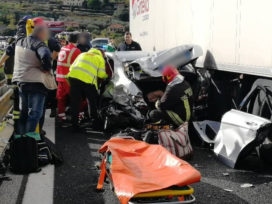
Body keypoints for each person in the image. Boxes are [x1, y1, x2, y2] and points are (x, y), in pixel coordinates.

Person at [12, 17, 56, 138]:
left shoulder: (20, 42)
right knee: (35, 112)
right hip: (36, 82)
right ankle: (29, 137)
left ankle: (20, 136)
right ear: (40, 32)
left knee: (23, 112)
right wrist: (46, 68)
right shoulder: (39, 43)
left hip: (21, 81)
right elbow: (46, 55)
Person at [67, 48, 108, 131]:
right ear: (101, 53)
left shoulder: (82, 54)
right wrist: (107, 76)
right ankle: (94, 124)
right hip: (88, 82)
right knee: (92, 102)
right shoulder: (99, 58)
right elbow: (101, 74)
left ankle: (74, 125)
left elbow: (71, 68)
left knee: (75, 103)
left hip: (73, 78)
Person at [56, 32, 81, 121]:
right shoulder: (76, 51)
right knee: (76, 99)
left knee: (61, 98)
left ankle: (61, 115)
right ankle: (77, 116)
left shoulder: (62, 49)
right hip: (69, 79)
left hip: (59, 78)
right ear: (77, 40)